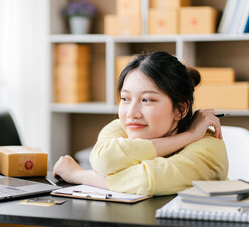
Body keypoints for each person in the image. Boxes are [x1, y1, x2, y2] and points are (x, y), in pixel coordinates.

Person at [53, 51, 228, 196]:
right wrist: (188, 136)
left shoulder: (210, 147)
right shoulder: (122, 127)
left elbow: (146, 181)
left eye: (147, 100)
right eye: (125, 99)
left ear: (180, 109)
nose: (131, 113)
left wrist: (78, 174)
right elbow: (104, 159)